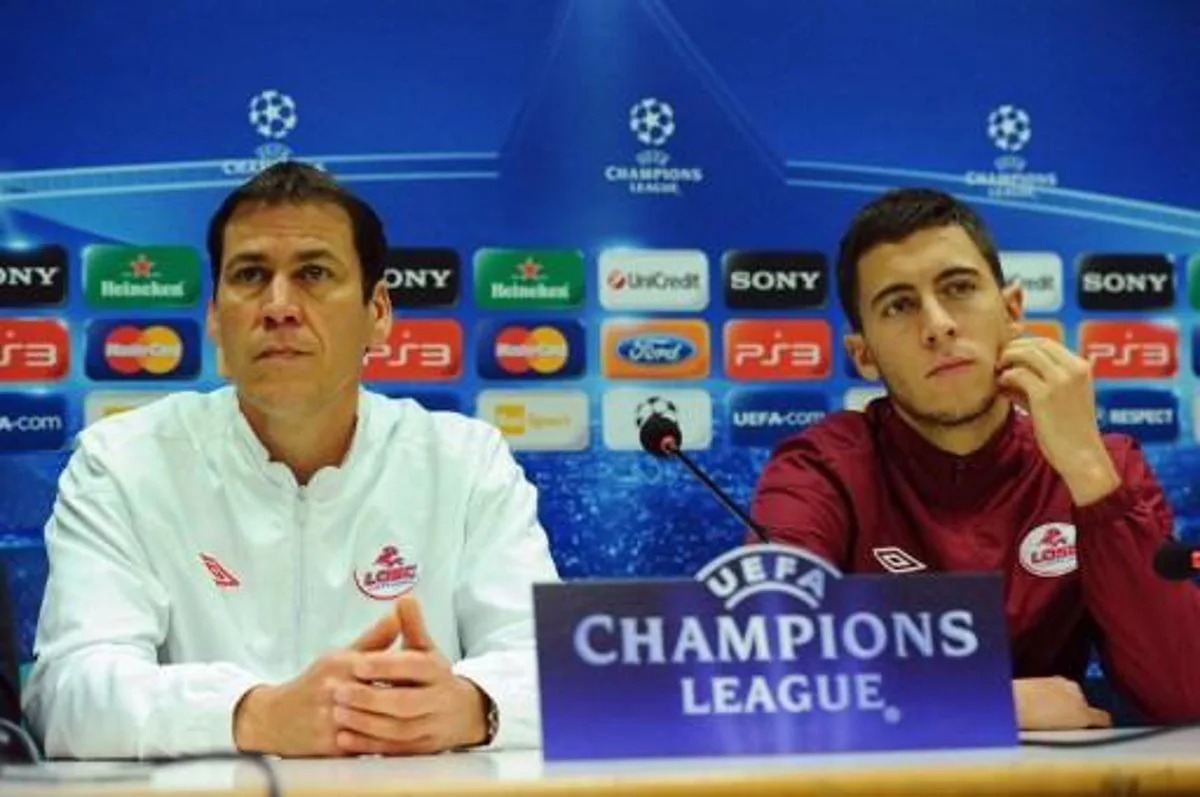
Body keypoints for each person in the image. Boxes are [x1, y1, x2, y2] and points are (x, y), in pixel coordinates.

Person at [23, 162, 560, 758]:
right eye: (250, 275)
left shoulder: (464, 463)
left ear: (378, 313)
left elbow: (556, 672)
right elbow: (68, 695)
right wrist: (253, 715)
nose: (279, 306)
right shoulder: (124, 462)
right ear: (213, 316)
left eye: (313, 273)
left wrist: (474, 704)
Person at [751, 187, 1200, 729]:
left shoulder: (1105, 467)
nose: (938, 324)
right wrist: (997, 703)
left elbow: (1187, 699)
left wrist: (1086, 470)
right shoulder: (818, 471)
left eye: (958, 288)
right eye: (899, 304)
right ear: (864, 355)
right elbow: (759, 671)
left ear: (1011, 310)